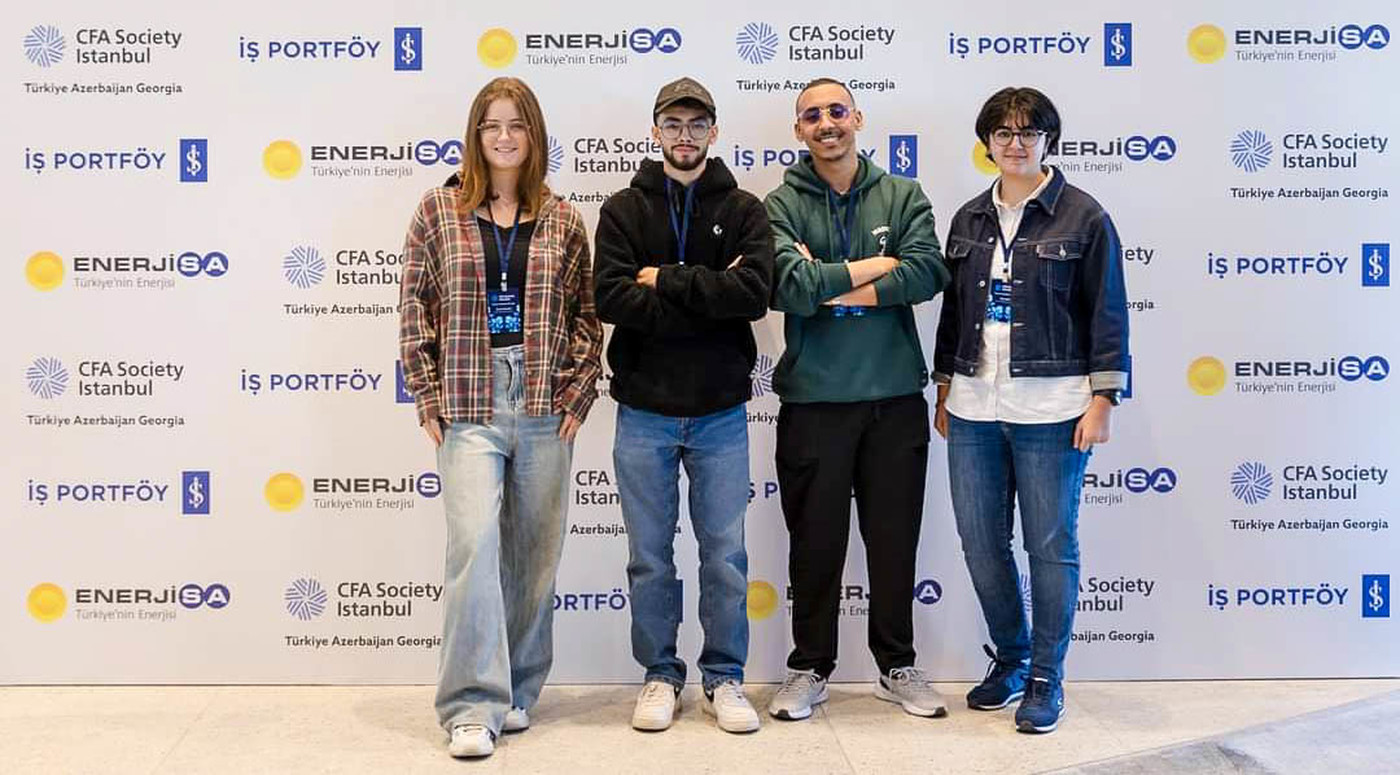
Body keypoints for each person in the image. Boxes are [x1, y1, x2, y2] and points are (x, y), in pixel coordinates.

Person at [398, 76, 603, 758]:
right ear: (475, 134)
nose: (505, 136)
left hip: (542, 399)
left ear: (534, 135)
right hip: (468, 397)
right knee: (474, 547)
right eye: (492, 125)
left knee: (534, 557)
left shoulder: (564, 218)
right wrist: (426, 393)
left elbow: (585, 315)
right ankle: (469, 704)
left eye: (517, 124)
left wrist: (578, 392)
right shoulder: (438, 209)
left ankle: (515, 688)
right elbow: (413, 306)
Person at [933, 86, 1130, 734]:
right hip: (973, 404)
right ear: (987, 142)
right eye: (1003, 132)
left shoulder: (1084, 216)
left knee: (1050, 544)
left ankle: (1047, 675)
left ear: (1049, 140)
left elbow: (1107, 312)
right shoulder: (968, 217)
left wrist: (1103, 398)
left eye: (1028, 132)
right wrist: (944, 386)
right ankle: (1013, 657)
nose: (1015, 143)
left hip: (1053, 407)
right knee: (980, 542)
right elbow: (955, 312)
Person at [763, 77, 950, 721]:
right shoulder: (780, 204)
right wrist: (878, 266)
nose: (826, 123)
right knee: (814, 544)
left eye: (836, 111)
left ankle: (897, 666)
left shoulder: (902, 194)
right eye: (812, 115)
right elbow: (788, 287)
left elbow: (927, 271)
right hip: (814, 401)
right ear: (799, 130)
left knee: (894, 541)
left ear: (857, 118)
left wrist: (829, 284)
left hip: (893, 399)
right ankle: (809, 668)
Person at [592, 77, 775, 734]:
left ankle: (723, 677)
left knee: (724, 554)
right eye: (673, 123)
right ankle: (660, 674)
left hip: (720, 412)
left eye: (697, 124)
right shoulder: (622, 210)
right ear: (655, 131)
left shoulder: (745, 208)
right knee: (650, 555)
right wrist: (708, 294)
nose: (685, 136)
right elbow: (611, 298)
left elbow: (752, 294)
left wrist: (664, 280)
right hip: (644, 409)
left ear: (713, 133)